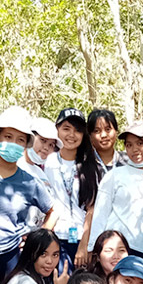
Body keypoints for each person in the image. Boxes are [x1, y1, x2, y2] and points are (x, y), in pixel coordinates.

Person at [0, 106, 57, 281]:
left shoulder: (29, 181)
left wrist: (37, 240)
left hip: (12, 254)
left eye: (20, 140)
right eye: (8, 137)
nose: (13, 143)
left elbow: (53, 211)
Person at [87, 121, 143, 262]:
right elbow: (100, 214)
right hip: (114, 247)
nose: (134, 149)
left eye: (140, 143)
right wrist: (92, 248)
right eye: (129, 145)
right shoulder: (115, 175)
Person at [45, 108, 98, 267]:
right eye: (66, 128)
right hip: (53, 238)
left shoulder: (89, 164)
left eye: (77, 130)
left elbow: (91, 208)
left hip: (81, 240)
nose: (71, 135)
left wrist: (84, 245)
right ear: (57, 130)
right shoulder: (47, 162)